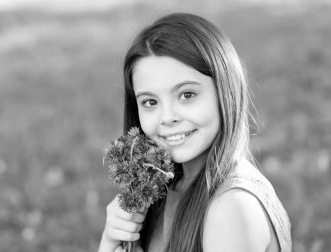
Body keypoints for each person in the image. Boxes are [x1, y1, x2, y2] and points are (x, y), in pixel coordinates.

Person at [98, 12, 292, 252]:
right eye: (150, 102)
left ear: (225, 92)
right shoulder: (166, 188)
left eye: (186, 95)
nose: (168, 117)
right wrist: (110, 242)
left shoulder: (231, 208)